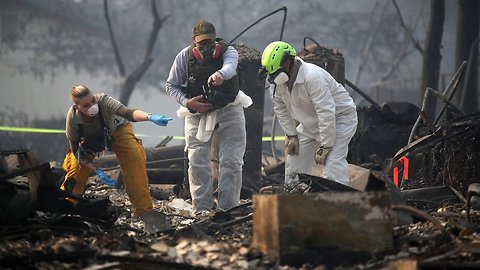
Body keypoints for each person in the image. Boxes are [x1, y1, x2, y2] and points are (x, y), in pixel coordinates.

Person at [61, 84, 173, 233]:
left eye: (93, 101)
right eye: (86, 105)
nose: (92, 106)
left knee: (134, 159)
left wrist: (150, 117)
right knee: (76, 169)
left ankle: (144, 211)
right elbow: (77, 153)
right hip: (89, 141)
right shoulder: (73, 119)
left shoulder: (104, 101)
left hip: (117, 130)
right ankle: (67, 207)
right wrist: (97, 170)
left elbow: (128, 113)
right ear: (77, 106)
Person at [165, 20, 251, 214]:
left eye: (210, 42)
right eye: (202, 43)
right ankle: (202, 209)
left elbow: (230, 66)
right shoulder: (184, 58)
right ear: (194, 41)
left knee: (232, 160)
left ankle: (228, 208)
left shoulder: (228, 51)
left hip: (230, 109)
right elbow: (171, 85)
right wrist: (188, 103)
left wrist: (220, 74)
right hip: (197, 112)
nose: (206, 47)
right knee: (197, 161)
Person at [261, 41, 358, 186]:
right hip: (310, 123)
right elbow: (280, 110)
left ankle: (338, 202)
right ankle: (295, 199)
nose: (273, 78)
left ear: (287, 63)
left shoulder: (313, 77)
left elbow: (326, 112)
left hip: (339, 119)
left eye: (275, 73)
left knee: (332, 164)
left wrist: (326, 145)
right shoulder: (276, 83)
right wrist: (292, 135)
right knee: (294, 162)